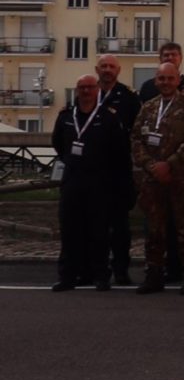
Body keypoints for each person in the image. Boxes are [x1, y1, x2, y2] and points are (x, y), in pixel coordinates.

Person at [52, 74, 130, 292]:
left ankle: (100, 275)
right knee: (70, 230)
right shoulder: (66, 117)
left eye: (90, 87)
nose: (86, 91)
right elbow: (58, 144)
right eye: (82, 87)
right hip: (72, 180)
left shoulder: (108, 117)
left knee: (99, 231)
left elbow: (119, 150)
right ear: (77, 90)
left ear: (97, 90)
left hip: (99, 181)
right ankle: (68, 276)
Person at [130, 62, 184, 295]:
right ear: (156, 81)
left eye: (170, 78)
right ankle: (154, 275)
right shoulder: (148, 107)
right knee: (154, 230)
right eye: (162, 79)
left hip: (181, 178)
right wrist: (151, 165)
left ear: (178, 80)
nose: (166, 83)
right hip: (153, 180)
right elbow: (136, 140)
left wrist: (169, 164)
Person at [96, 54, 141, 285]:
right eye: (103, 66)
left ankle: (121, 269)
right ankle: (97, 270)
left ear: (118, 70)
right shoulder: (88, 93)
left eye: (111, 66)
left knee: (120, 226)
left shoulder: (129, 98)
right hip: (93, 172)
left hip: (119, 171)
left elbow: (138, 132)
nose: (107, 70)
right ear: (97, 69)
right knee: (95, 225)